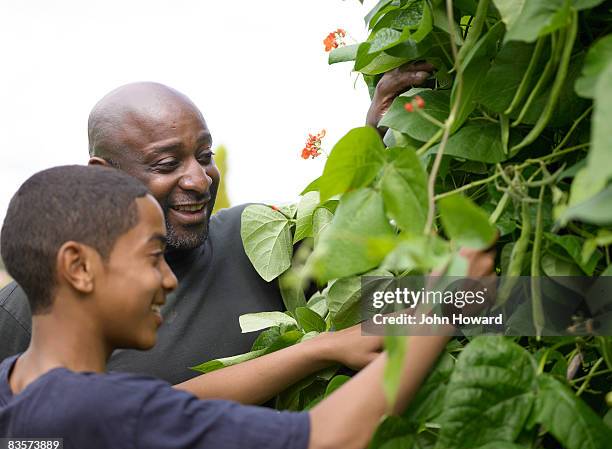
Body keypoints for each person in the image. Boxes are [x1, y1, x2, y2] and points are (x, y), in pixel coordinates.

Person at [0, 166, 494, 449]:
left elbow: (173, 401)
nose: (169, 279)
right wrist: (444, 306)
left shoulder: (19, 391)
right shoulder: (100, 413)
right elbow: (328, 443)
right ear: (78, 267)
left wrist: (320, 346)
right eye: (153, 256)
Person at [0, 64, 435, 384]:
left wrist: (494, 306)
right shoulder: (27, 308)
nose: (198, 179)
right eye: (168, 163)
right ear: (104, 174)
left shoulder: (256, 240)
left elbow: (390, 300)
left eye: (205, 156)